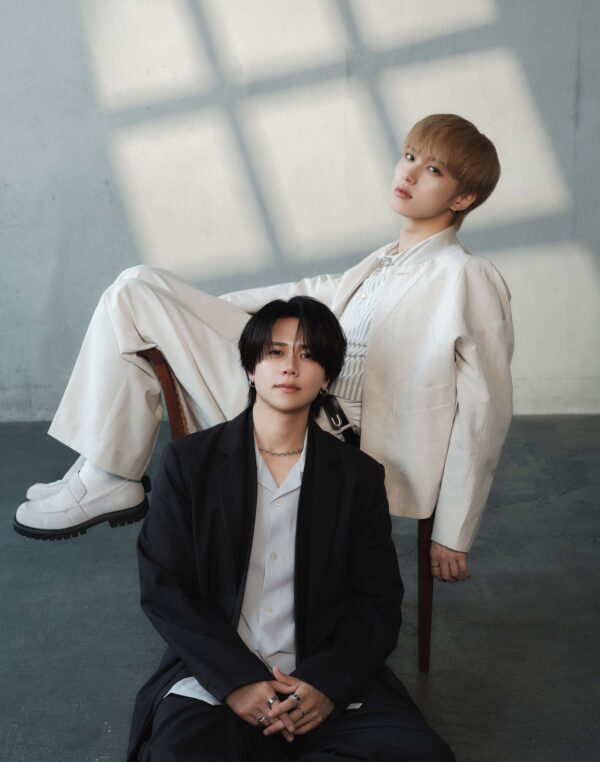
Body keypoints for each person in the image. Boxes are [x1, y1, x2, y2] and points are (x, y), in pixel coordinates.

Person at [15, 113, 513, 582]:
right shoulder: (383, 262)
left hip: (329, 442)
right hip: (293, 398)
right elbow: (306, 290)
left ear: (463, 198)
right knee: (137, 287)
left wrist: (453, 532)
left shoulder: (467, 276)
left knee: (137, 295)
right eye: (409, 156)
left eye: (433, 170)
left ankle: (107, 473)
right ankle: (104, 471)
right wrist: (185, 312)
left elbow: (484, 412)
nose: (410, 173)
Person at [124, 296, 458, 762]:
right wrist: (237, 682)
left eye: (308, 354)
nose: (290, 366)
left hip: (317, 680)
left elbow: (377, 601)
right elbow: (164, 588)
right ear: (252, 368)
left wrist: (325, 685)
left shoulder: (358, 477)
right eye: (276, 352)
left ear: (326, 378)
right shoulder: (190, 463)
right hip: (217, 678)